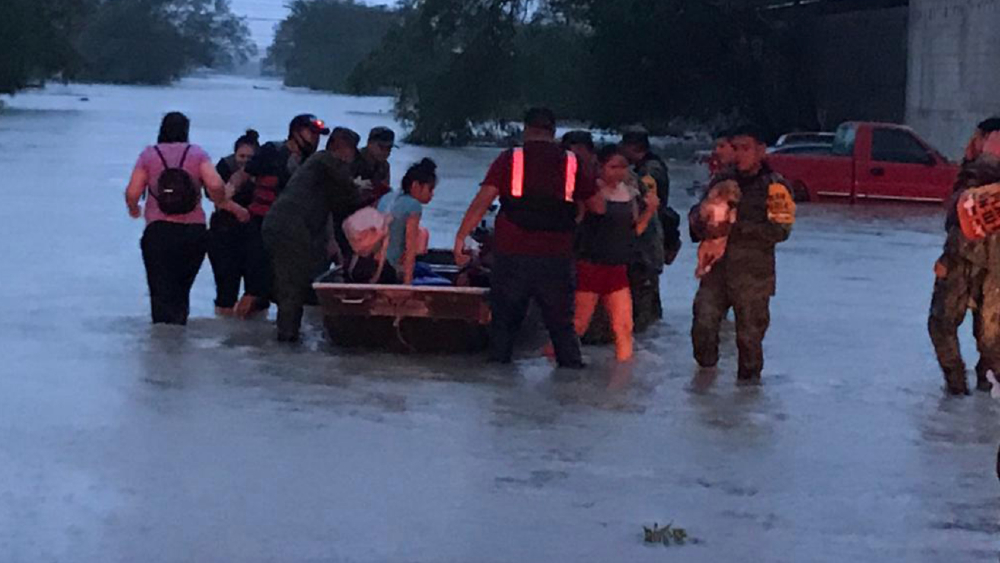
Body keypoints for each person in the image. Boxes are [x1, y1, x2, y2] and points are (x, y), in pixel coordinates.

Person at [453, 107, 602, 368]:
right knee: (562, 329)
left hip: (512, 255)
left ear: (526, 129)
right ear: (553, 132)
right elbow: (599, 207)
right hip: (556, 257)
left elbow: (483, 200)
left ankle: (500, 391)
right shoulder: (571, 163)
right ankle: (570, 390)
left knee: (504, 328)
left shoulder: (510, 159)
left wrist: (461, 236)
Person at [690, 125, 795, 384]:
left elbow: (781, 231)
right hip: (716, 272)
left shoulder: (775, 186)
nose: (739, 154)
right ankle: (704, 387)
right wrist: (703, 219)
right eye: (735, 148)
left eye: (746, 148)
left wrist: (733, 226)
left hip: (753, 277)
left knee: (749, 342)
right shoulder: (721, 180)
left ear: (761, 150)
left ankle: (746, 399)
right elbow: (696, 220)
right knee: (702, 328)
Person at [124, 111, 247, 324]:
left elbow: (133, 192)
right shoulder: (197, 154)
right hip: (193, 234)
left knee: (160, 292)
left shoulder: (149, 155)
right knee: (181, 292)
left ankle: (161, 346)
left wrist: (134, 209)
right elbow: (216, 185)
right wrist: (222, 203)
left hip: (158, 232)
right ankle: (180, 340)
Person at [261, 127, 363, 342]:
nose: (352, 158)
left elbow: (335, 202)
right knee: (292, 284)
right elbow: (349, 191)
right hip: (289, 227)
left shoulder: (319, 168)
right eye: (352, 151)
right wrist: (360, 187)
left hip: (289, 227)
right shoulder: (324, 160)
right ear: (343, 149)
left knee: (294, 281)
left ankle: (289, 332)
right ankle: (287, 337)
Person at [928, 117, 1000, 395]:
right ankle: (978, 388)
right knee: (990, 341)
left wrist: (946, 259)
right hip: (980, 262)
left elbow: (965, 221)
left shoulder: (980, 171)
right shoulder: (976, 171)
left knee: (943, 324)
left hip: (968, 260)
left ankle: (959, 388)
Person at [232, 114, 330, 318]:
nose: (316, 139)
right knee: (254, 289)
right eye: (311, 133)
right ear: (296, 132)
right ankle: (236, 333)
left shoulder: (313, 164)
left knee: (285, 290)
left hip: (291, 235)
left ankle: (264, 338)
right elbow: (241, 176)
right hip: (260, 228)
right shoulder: (271, 151)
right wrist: (225, 202)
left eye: (318, 135)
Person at [572, 145, 658, 361]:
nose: (619, 172)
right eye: (613, 167)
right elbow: (577, 224)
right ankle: (558, 365)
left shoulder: (630, 193)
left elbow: (634, 231)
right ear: (600, 167)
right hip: (591, 265)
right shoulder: (590, 192)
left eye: (623, 167)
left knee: (624, 327)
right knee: (578, 325)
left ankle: (623, 385)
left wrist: (650, 211)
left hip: (618, 267)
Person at [619, 129, 671, 330]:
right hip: (650, 243)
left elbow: (649, 205)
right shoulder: (651, 167)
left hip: (646, 245)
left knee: (645, 307)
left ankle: (647, 345)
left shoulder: (649, 172)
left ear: (632, 148)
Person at [207, 129, 260, 315]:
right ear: (234, 154)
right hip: (224, 233)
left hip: (254, 236)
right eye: (241, 156)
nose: (244, 160)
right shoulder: (224, 166)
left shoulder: (264, 169)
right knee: (225, 291)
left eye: (249, 157)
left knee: (257, 293)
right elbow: (212, 194)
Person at [385, 158, 438, 285]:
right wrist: (407, 285)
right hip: (389, 269)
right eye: (430, 189)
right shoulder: (413, 206)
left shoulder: (390, 197)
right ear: (415, 185)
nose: (432, 195)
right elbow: (410, 248)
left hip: (372, 264)